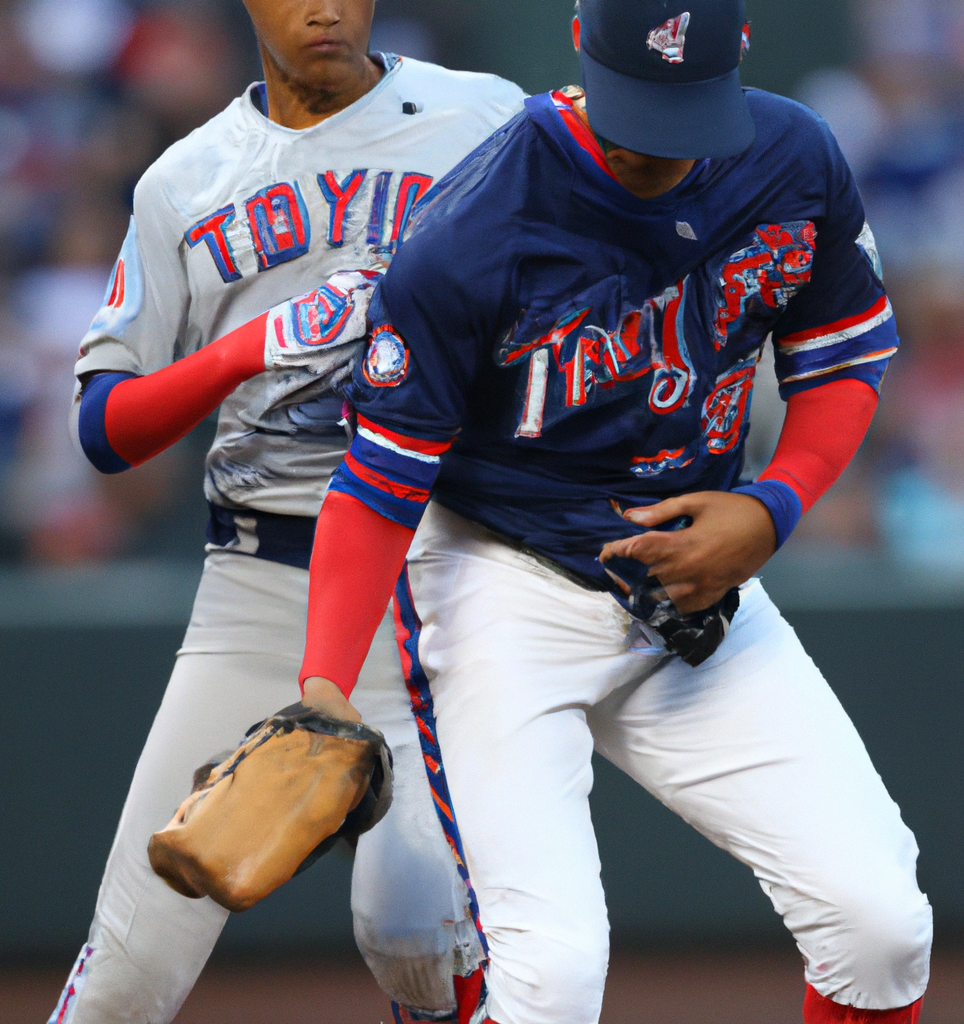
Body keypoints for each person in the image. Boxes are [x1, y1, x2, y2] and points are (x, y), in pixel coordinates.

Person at [292, 2, 933, 1023]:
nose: (657, 147)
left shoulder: (789, 155)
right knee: (551, 978)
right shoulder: (470, 233)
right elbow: (375, 487)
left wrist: (770, 507)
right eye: (639, 111)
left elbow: (840, 359)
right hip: (503, 579)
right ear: (583, 58)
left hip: (694, 580)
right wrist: (324, 682)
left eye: (683, 111)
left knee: (878, 922)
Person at [47, 1, 524, 1021]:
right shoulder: (186, 178)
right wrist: (243, 348)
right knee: (127, 973)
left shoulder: (484, 117)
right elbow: (104, 428)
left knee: (412, 928)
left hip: (441, 580)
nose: (324, 8)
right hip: (261, 585)